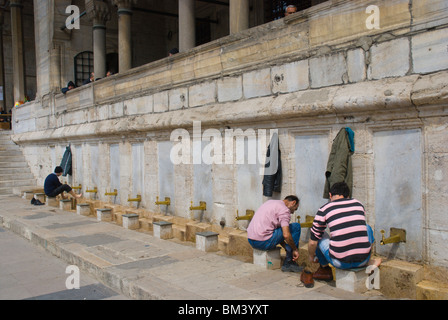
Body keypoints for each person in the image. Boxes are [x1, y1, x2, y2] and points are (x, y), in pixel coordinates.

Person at [301, 182, 380, 287]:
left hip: (340, 262)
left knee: (319, 234)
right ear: (348, 195)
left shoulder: (324, 209)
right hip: (363, 260)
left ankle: (324, 268)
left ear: (330, 195)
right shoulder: (358, 204)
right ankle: (368, 260)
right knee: (367, 227)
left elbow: (312, 243)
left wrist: (311, 256)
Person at [247, 195, 301, 272]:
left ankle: (289, 254)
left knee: (282, 229)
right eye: (295, 209)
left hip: (251, 240)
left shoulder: (270, 202)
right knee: (296, 227)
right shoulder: (285, 210)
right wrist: (294, 249)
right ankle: (289, 263)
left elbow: (276, 231)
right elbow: (286, 235)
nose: (292, 212)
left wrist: (285, 246)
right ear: (293, 203)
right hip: (263, 242)